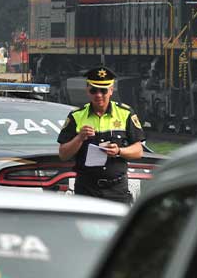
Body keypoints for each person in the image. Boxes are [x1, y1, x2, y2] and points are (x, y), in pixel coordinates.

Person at [57, 67, 145, 205]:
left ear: (111, 90)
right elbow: (63, 154)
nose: (98, 95)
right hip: (86, 190)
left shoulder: (125, 113)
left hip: (116, 190)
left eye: (103, 90)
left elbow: (139, 151)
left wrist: (119, 151)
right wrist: (79, 138)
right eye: (94, 90)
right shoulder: (76, 116)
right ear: (87, 90)